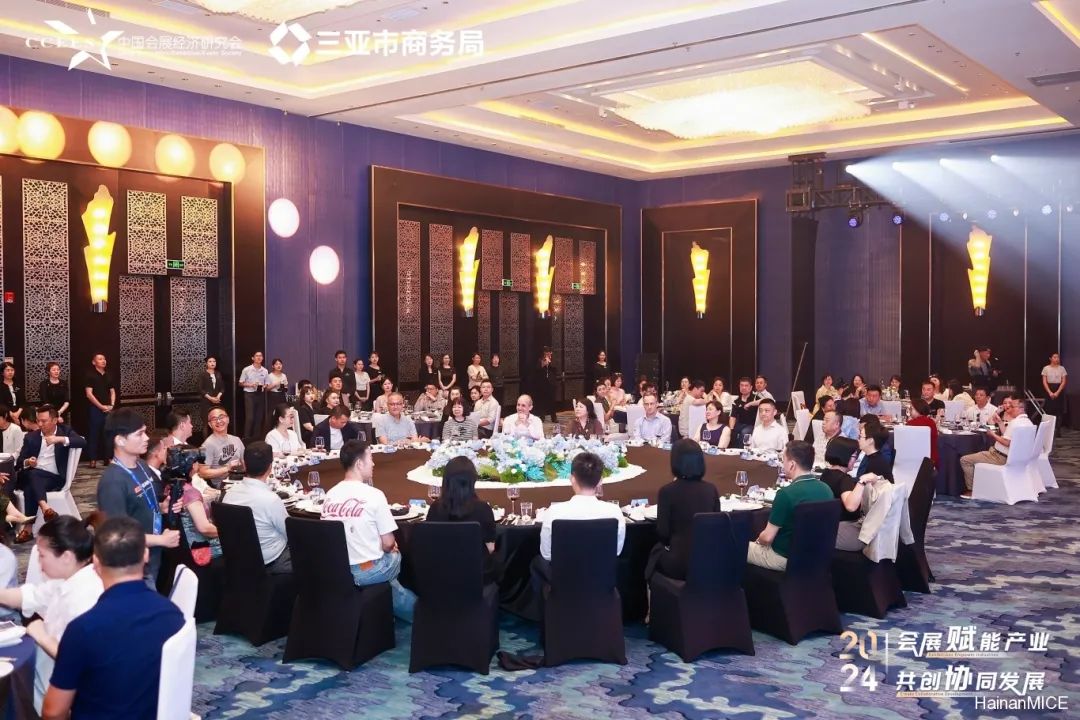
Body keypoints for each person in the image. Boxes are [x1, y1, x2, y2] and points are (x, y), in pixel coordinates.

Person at [41, 516, 184, 720]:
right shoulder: (173, 615)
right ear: (145, 555)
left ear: (96, 562)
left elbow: (53, 712)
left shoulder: (82, 629)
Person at [0, 515, 103, 713]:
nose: (39, 564)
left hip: (62, 698)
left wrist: (42, 637)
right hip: (46, 679)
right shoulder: (67, 579)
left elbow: (83, 662)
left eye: (42, 555)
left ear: (66, 557)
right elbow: (29, 596)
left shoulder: (86, 597)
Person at [321, 440, 415, 620]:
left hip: (335, 569)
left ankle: (397, 613)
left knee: (390, 581)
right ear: (359, 464)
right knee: (395, 555)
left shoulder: (330, 494)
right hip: (365, 572)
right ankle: (417, 614)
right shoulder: (374, 495)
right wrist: (390, 548)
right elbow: (388, 544)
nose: (373, 464)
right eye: (370, 459)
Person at [96, 409, 181, 585]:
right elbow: (118, 536)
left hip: (152, 556)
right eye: (139, 434)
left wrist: (162, 508)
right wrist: (161, 540)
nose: (147, 438)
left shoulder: (142, 465)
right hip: (131, 568)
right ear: (120, 440)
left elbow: (141, 506)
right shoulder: (112, 481)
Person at [534, 452, 625, 590]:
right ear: (600, 481)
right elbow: (616, 551)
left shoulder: (554, 512)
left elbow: (547, 555)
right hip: (601, 584)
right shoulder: (614, 512)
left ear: (572, 479)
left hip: (563, 586)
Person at [747, 441, 834, 571]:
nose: (782, 464)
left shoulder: (786, 494)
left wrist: (758, 541)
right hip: (817, 556)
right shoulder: (826, 489)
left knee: (735, 545)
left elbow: (767, 538)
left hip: (785, 558)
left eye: (784, 460)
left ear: (792, 464)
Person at [647, 439, 720, 581]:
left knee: (653, 554)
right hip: (708, 560)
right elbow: (716, 527)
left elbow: (663, 533)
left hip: (679, 563)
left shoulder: (667, 491)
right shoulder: (711, 490)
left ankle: (649, 593)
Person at [14, 405, 87, 543]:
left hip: (54, 478)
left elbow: (82, 442)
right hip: (34, 474)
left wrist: (59, 439)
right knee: (33, 476)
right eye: (38, 420)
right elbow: (19, 463)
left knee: (32, 480)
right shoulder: (31, 437)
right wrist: (28, 462)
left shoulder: (65, 431)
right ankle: (46, 508)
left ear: (54, 420)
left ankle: (28, 528)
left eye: (44, 421)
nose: (40, 424)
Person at [426, 456, 500, 584]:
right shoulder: (483, 509)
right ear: (472, 481)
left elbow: (430, 544)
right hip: (476, 576)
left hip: (440, 574)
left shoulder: (435, 508)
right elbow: (490, 548)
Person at [222, 442, 291, 573]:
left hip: (238, 560)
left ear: (244, 464)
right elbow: (290, 533)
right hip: (271, 562)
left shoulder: (229, 494)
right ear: (270, 467)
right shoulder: (271, 500)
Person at [960, 395, 1033, 498]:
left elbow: (1007, 442)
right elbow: (1008, 436)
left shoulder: (1015, 423)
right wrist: (1000, 422)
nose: (1009, 408)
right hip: (1013, 458)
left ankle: (972, 491)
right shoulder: (1028, 423)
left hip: (999, 457)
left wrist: (992, 435)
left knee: (965, 460)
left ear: (1021, 409)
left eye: (1012, 406)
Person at [817, 437, 881, 551]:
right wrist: (862, 481)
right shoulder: (844, 479)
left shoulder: (826, 473)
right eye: (854, 456)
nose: (856, 460)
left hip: (827, 526)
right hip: (842, 530)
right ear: (844, 455)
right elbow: (851, 506)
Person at [176, 443, 222, 561]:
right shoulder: (190, 492)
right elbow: (204, 528)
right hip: (200, 550)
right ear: (193, 465)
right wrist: (227, 532)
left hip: (184, 547)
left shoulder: (173, 486)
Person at [83, 354, 116, 469]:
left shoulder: (108, 375)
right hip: (95, 409)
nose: (103, 361)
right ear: (94, 362)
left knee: (109, 434)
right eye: (100, 359)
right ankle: (93, 459)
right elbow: (89, 394)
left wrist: (111, 405)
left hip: (108, 409)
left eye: (104, 359)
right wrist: (101, 406)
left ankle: (108, 458)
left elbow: (112, 391)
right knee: (94, 434)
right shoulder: (90, 375)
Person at [199, 408, 245, 483]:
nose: (218, 421)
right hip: (221, 485)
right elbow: (203, 472)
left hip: (240, 481)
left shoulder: (236, 440)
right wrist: (227, 468)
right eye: (214, 419)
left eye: (221, 417)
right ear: (210, 424)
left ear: (228, 419)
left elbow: (244, 463)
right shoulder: (207, 445)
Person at [239, 350, 269, 440]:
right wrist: (251, 385)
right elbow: (240, 383)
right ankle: (246, 438)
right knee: (250, 418)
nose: (259, 357)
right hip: (249, 394)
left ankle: (257, 439)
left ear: (262, 358)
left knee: (259, 418)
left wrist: (264, 386)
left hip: (260, 394)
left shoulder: (265, 371)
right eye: (257, 356)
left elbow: (267, 383)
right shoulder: (247, 369)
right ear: (253, 358)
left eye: (261, 356)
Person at [905, 399, 940, 468]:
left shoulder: (910, 424)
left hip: (911, 459)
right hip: (931, 460)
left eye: (911, 409)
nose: (910, 411)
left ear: (918, 409)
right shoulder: (931, 423)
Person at [728, 377, 759, 448]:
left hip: (752, 425)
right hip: (740, 424)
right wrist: (731, 429)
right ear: (739, 387)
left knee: (744, 432)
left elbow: (766, 400)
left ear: (751, 387)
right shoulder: (736, 401)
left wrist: (750, 404)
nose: (744, 387)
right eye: (742, 385)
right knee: (730, 431)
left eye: (746, 385)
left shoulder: (755, 398)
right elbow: (732, 417)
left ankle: (739, 450)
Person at [199, 355, 224, 436]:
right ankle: (206, 442)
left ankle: (217, 441)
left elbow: (222, 388)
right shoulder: (202, 374)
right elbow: (200, 389)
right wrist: (210, 398)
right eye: (210, 361)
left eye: (214, 361)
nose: (212, 363)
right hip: (206, 402)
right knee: (206, 424)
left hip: (217, 402)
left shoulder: (218, 373)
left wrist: (218, 397)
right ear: (206, 363)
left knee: (217, 422)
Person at [1042, 352, 1067, 434]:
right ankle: (1049, 430)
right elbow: (1044, 382)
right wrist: (1050, 392)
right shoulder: (1046, 368)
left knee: (1059, 410)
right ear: (1050, 358)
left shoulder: (1062, 368)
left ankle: (1058, 429)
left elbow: (1063, 381)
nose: (1057, 359)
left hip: (1059, 389)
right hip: (1049, 389)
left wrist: (1057, 392)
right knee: (1049, 410)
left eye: (1058, 357)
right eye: (1055, 357)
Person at [533, 348, 558, 423]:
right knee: (542, 401)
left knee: (552, 401)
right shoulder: (540, 360)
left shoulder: (553, 360)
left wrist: (550, 362)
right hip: (542, 383)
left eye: (549, 353)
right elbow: (537, 369)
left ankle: (554, 417)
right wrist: (543, 363)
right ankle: (542, 416)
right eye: (546, 353)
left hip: (551, 384)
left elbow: (555, 369)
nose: (548, 354)